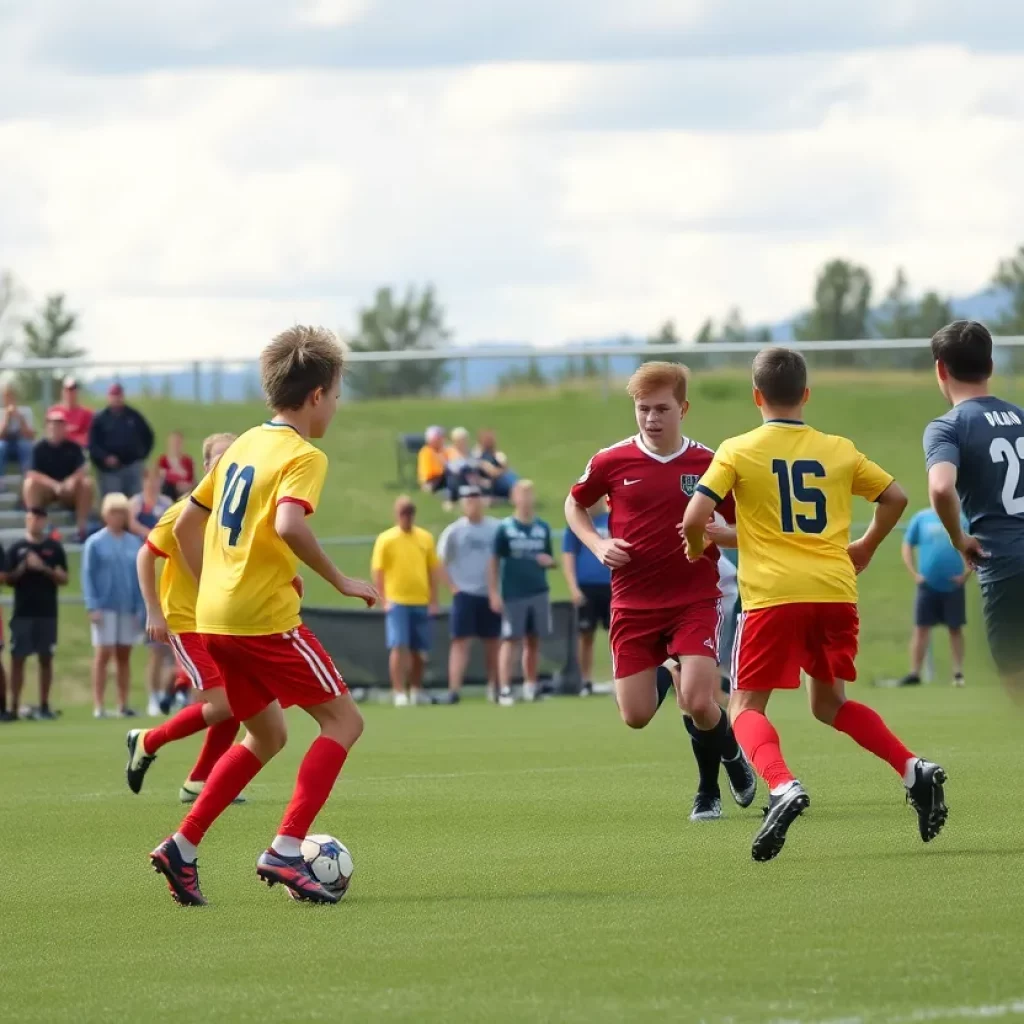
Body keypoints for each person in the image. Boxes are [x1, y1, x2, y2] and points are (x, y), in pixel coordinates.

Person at [682, 346, 948, 862]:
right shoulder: (837, 448)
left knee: (742, 708)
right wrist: (866, 546)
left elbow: (695, 519)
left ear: (756, 396)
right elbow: (894, 496)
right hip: (833, 593)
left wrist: (698, 548)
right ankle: (913, 769)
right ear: (806, 395)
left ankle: (782, 786)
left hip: (772, 600)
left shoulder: (737, 450)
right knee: (829, 703)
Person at [149, 325, 378, 907]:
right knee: (344, 723)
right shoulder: (303, 454)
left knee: (266, 733)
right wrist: (341, 580)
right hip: (263, 621)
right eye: (338, 391)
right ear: (319, 395)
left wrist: (222, 583)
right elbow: (289, 525)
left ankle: (184, 845)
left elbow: (185, 525)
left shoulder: (246, 442)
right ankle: (285, 847)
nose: (337, 403)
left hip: (217, 616)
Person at [565, 362, 755, 823]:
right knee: (635, 715)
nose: (651, 418)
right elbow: (575, 503)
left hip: (695, 596)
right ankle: (729, 747)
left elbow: (744, 524)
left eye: (662, 409)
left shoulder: (711, 463)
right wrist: (597, 544)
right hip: (632, 602)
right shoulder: (611, 460)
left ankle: (708, 790)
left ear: (683, 408)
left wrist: (718, 533)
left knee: (696, 699)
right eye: (643, 409)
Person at [127, 432, 247, 803]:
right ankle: (147, 740)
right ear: (207, 465)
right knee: (226, 704)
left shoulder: (235, 514)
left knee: (237, 704)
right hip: (187, 621)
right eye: (220, 457)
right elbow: (146, 556)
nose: (227, 463)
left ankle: (199, 781)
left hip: (222, 621)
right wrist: (153, 611)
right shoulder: (183, 511)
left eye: (234, 457)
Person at [923, 319, 1024, 700]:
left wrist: (958, 538)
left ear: (941, 369)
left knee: (1016, 681)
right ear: (991, 365)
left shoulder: (948, 427)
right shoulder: (1021, 417)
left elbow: (941, 486)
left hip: (1006, 565)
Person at [490, 479, 555, 705]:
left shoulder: (542, 528)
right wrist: (493, 592)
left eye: (529, 494)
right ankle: (505, 689)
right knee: (510, 639)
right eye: (522, 494)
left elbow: (549, 558)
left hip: (538, 590)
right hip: (513, 592)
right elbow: (494, 561)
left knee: (533, 640)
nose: (526, 499)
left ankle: (530, 685)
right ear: (514, 499)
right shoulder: (505, 528)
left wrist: (549, 562)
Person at [371, 496, 440, 707]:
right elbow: (378, 571)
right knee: (399, 645)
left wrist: (434, 600)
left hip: (420, 600)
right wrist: (383, 600)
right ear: (396, 515)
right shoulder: (386, 539)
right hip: (397, 601)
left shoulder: (425, 538)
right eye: (403, 513)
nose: (406, 517)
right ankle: (398, 690)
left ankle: (416, 689)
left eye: (410, 512)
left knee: (419, 649)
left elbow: (432, 570)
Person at [82, 492, 145, 719]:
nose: (117, 517)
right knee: (103, 653)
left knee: (124, 654)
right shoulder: (95, 543)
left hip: (127, 606)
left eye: (121, 513)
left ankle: (123, 703)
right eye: (113, 512)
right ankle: (98, 705)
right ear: (105, 515)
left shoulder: (134, 543)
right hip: (104, 606)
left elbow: (139, 577)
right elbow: (87, 576)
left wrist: (140, 607)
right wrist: (92, 605)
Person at [437, 486, 502, 704]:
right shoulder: (454, 531)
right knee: (460, 642)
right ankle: (454, 690)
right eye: (467, 500)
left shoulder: (495, 528)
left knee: (492, 642)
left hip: (489, 592)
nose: (472, 503)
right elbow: (440, 562)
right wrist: (453, 587)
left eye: (475, 498)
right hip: (464, 593)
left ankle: (495, 687)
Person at [5, 507, 68, 720]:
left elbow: (64, 578)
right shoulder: (16, 548)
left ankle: (44, 705)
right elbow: (7, 579)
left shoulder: (54, 547)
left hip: (47, 612)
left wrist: (43, 568)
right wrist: (24, 567)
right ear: (27, 520)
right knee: (18, 658)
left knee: (46, 658)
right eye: (31, 518)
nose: (35, 522)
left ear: (45, 521)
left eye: (39, 519)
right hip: (22, 611)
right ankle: (13, 707)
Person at [899, 507, 970, 687]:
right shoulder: (921, 518)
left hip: (953, 585)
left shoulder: (961, 518)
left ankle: (958, 673)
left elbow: (973, 546)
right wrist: (914, 574)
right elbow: (907, 544)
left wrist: (966, 573)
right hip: (927, 585)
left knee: (955, 628)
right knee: (921, 628)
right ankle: (915, 672)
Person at [562, 497, 612, 697]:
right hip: (586, 588)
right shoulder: (577, 523)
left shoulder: (612, 521)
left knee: (617, 636)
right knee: (585, 635)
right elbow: (568, 555)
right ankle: (585, 681)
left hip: (612, 587)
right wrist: (573, 588)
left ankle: (620, 680)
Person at [23, 410, 95, 541]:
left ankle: (81, 529)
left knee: (87, 483)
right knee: (30, 484)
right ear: (47, 427)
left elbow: (84, 467)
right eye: (52, 424)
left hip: (68, 491)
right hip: (47, 490)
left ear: (65, 428)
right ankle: (33, 527)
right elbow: (31, 472)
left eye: (60, 424)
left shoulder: (74, 447)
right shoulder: (38, 447)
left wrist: (71, 480)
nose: (55, 428)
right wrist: (54, 484)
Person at [88, 382, 155, 499]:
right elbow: (93, 445)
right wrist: (104, 457)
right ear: (108, 397)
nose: (116, 398)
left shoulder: (133, 416)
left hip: (132, 466)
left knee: (136, 500)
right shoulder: (100, 419)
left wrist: (141, 455)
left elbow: (148, 436)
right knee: (114, 502)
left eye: (118, 395)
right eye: (113, 395)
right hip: (110, 470)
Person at [47, 376, 93, 449]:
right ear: (62, 391)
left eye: (72, 390)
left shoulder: (86, 413)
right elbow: (49, 434)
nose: (69, 393)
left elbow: (89, 436)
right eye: (67, 390)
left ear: (77, 392)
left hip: (77, 449)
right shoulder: (53, 411)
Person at [0, 383, 36, 475]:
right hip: (5, 444)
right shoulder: (1, 413)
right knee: (1, 447)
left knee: (26, 446)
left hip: (21, 442)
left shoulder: (26, 411)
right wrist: (7, 419)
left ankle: (27, 478)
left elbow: (31, 436)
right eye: (6, 396)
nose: (9, 399)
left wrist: (20, 418)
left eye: (11, 395)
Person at [474, 429, 519, 499]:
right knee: (508, 477)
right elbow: (492, 471)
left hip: (499, 478)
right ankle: (518, 493)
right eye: (488, 440)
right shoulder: (477, 455)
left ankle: (519, 492)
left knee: (511, 475)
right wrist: (501, 471)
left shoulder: (496, 453)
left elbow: (505, 464)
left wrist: (501, 470)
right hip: (489, 482)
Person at [444, 427, 482, 504]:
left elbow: (476, 465)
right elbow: (453, 468)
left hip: (471, 478)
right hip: (455, 479)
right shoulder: (449, 451)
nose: (463, 442)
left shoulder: (471, 452)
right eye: (461, 440)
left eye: (465, 439)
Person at [157, 430, 195, 501]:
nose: (175, 446)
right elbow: (160, 479)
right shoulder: (163, 461)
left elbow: (193, 481)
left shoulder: (187, 461)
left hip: (185, 493)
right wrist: (176, 484)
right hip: (169, 493)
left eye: (178, 443)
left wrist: (186, 486)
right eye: (173, 443)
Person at [417, 426, 448, 494]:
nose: (442, 440)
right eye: (439, 438)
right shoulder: (426, 452)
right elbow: (430, 473)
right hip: (432, 482)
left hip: (443, 480)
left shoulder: (443, 451)